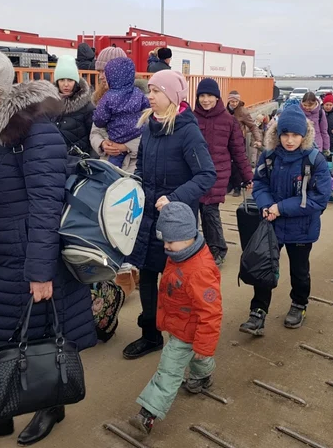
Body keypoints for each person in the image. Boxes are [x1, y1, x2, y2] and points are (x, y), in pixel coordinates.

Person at [0, 50, 96, 446]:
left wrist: (40, 272)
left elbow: (46, 205)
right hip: (0, 255)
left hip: (32, 257)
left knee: (38, 340)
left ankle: (50, 404)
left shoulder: (36, 132)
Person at [123, 70, 216, 360]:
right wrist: (133, 184)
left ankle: (185, 339)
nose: (149, 95)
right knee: (149, 276)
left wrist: (174, 199)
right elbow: (142, 168)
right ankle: (150, 335)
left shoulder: (188, 130)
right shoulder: (149, 127)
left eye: (156, 91)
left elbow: (206, 175)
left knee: (180, 282)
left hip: (176, 221)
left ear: (172, 96)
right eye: (149, 90)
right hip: (148, 217)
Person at [129, 202, 222, 435]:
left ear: (189, 235)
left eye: (171, 241)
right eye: (165, 241)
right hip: (179, 323)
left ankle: (147, 414)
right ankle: (204, 375)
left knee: (169, 370)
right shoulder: (179, 253)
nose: (167, 247)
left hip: (188, 329)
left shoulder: (200, 270)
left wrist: (205, 343)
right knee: (197, 358)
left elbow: (211, 312)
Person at [239, 105, 332, 335]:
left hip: (302, 227)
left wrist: (279, 208)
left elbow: (319, 198)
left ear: (304, 135)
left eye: (295, 135)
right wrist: (266, 206)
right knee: (264, 266)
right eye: (285, 134)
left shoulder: (315, 160)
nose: (290, 140)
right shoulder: (269, 156)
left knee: (299, 270)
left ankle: (299, 304)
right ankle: (258, 311)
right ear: (278, 134)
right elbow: (259, 184)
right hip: (273, 223)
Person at [193, 78, 253, 266]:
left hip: (217, 173)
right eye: (202, 96)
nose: (205, 100)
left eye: (210, 95)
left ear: (217, 97)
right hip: (194, 173)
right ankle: (193, 248)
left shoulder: (228, 120)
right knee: (192, 210)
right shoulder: (191, 118)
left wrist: (247, 176)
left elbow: (238, 151)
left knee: (210, 211)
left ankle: (217, 249)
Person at [90, 47, 147, 172]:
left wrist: (125, 147)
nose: (100, 77)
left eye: (103, 72)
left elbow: (149, 133)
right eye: (98, 72)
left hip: (135, 164)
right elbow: (95, 131)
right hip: (107, 161)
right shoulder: (100, 99)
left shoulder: (143, 97)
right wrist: (102, 144)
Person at [52, 55, 96, 156]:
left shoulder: (87, 107)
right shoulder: (48, 105)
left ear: (75, 82)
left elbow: (93, 136)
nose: (66, 84)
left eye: (70, 80)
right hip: (54, 159)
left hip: (79, 160)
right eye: (62, 80)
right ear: (57, 82)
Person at [227, 90, 263, 196]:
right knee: (228, 162)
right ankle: (230, 184)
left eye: (235, 101)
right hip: (227, 139)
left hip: (239, 139)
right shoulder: (225, 110)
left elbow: (252, 126)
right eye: (231, 101)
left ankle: (237, 187)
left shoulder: (243, 112)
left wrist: (258, 139)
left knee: (238, 162)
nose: (233, 103)